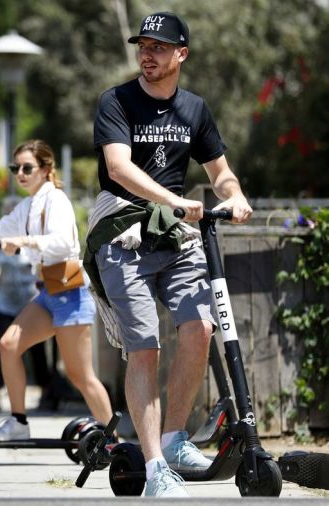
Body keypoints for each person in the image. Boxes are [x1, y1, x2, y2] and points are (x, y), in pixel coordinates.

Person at [87, 12, 253, 497]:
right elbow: (118, 169)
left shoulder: (195, 110)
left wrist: (234, 194)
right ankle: (156, 467)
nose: (148, 53)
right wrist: (174, 200)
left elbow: (220, 172)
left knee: (201, 327)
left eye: (160, 47)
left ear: (181, 54)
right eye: (144, 45)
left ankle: (175, 438)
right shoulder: (115, 101)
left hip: (174, 236)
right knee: (144, 350)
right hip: (125, 234)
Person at [0, 140, 114, 441]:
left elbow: (63, 242)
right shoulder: (29, 205)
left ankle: (115, 442)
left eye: (27, 168)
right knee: (8, 345)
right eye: (15, 168)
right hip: (50, 291)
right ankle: (19, 422)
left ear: (46, 169)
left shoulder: (56, 200)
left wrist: (25, 242)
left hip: (71, 291)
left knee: (80, 375)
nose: (20, 174)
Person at [0, 195, 52, 413]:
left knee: (36, 348)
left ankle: (46, 390)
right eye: (7, 212)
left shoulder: (33, 239)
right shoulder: (0, 241)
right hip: (5, 300)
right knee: (1, 344)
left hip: (30, 300)